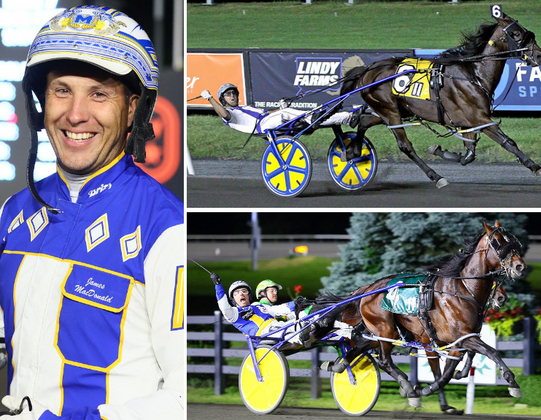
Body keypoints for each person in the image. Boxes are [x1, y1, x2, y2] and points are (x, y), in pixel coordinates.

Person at [0, 5, 184, 420]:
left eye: (98, 93)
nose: (76, 114)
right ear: (40, 102)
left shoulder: (167, 228)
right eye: (61, 90)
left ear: (133, 108)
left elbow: (182, 398)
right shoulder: (12, 213)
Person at [201, 84, 363, 135]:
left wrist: (279, 108)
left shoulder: (244, 107)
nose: (233, 96)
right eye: (228, 95)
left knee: (289, 111)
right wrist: (210, 99)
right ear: (223, 99)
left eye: (234, 93)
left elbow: (266, 114)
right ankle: (312, 117)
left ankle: (348, 117)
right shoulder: (229, 114)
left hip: (266, 119)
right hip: (261, 127)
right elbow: (223, 113)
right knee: (291, 114)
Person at [211, 275, 305, 347]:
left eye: (244, 291)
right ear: (233, 299)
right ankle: (300, 337)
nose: (241, 294)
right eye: (237, 293)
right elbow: (224, 307)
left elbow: (278, 309)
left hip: (277, 326)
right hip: (264, 334)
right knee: (290, 330)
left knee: (302, 321)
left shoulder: (257, 306)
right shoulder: (233, 314)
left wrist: (295, 303)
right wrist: (218, 286)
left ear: (249, 295)